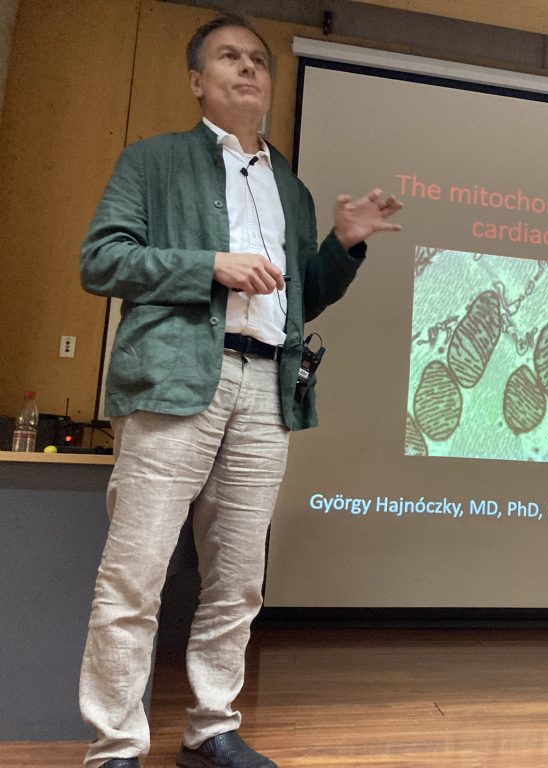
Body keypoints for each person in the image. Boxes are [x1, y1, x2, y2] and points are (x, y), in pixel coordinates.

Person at [77, 13, 402, 768]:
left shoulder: (290, 186)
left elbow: (301, 299)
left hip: (267, 388)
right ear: (198, 81)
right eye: (230, 56)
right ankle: (116, 746)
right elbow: (102, 260)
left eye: (258, 58)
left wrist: (342, 245)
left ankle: (211, 729)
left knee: (237, 580)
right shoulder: (152, 160)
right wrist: (210, 266)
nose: (250, 67)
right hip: (175, 379)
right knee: (135, 574)